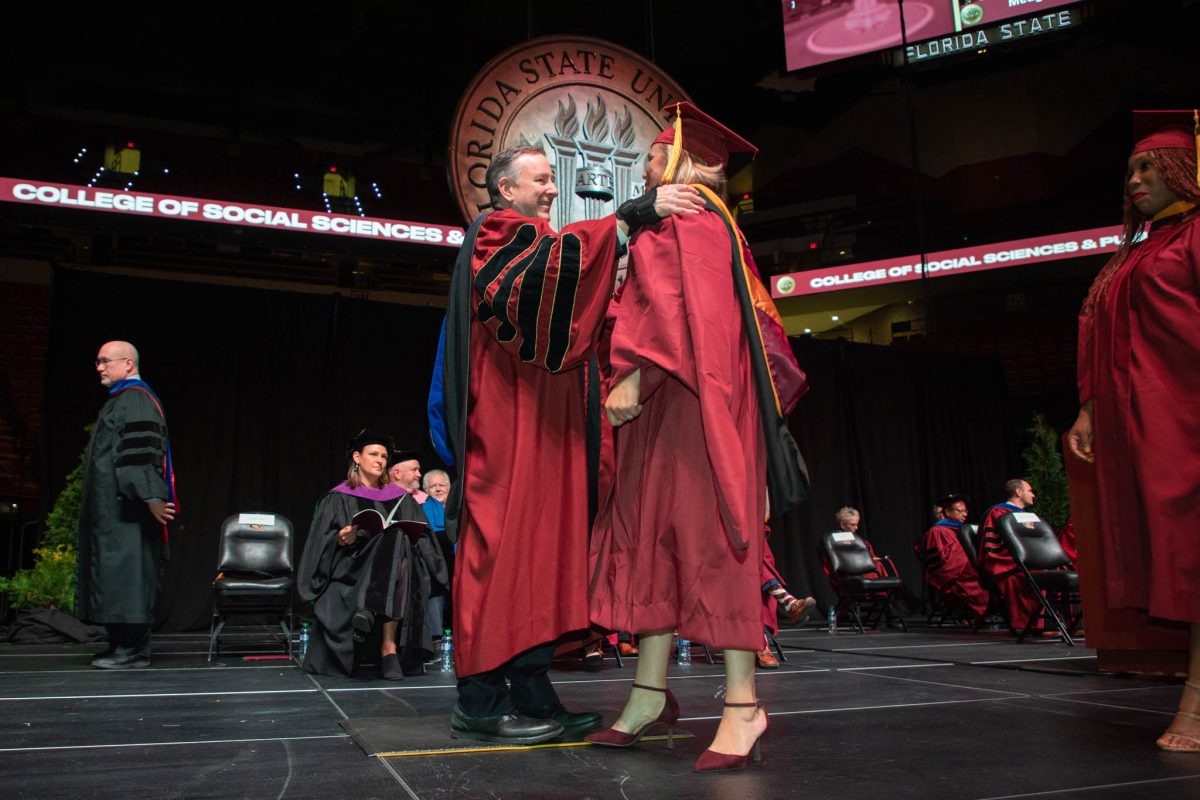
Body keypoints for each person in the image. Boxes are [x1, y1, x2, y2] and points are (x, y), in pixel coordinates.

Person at [438, 143, 707, 745]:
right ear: (505, 190)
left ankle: (533, 692)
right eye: (540, 180)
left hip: (550, 430)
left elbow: (575, 298)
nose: (552, 190)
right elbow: (544, 280)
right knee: (500, 557)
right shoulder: (493, 232)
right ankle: (478, 702)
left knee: (544, 561)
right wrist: (629, 216)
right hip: (507, 429)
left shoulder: (535, 239)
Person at [588, 102, 809, 772]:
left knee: (714, 544)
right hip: (673, 411)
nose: (646, 169)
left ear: (681, 162)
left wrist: (637, 375)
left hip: (690, 406)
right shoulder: (702, 225)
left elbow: (686, 315)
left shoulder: (693, 219)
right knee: (658, 544)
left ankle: (742, 702)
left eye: (654, 157)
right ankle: (648, 693)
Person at [1067, 110, 1200, 753]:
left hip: (1189, 422)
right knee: (1174, 554)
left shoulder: (1197, 237)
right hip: (1146, 430)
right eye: (1131, 171)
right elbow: (1097, 335)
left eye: (1149, 166)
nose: (1136, 179)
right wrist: (1090, 408)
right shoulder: (1136, 252)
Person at [297, 430, 446, 679]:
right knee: (395, 545)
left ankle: (383, 636)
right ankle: (384, 644)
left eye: (384, 456)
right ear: (357, 457)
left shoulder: (400, 498)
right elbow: (318, 544)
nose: (380, 460)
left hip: (396, 569)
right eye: (373, 454)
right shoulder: (338, 497)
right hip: (352, 566)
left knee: (397, 537)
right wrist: (341, 540)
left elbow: (424, 537)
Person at [76, 341, 177, 670]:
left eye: (106, 361)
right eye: (98, 361)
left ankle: (132, 649)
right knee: (118, 574)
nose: (99, 367)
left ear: (129, 365)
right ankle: (122, 645)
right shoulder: (122, 400)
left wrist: (151, 498)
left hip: (129, 510)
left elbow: (140, 453)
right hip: (117, 509)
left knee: (129, 575)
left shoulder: (136, 400)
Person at [977, 479, 1043, 635]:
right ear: (1019, 492)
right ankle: (1038, 624)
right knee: (1028, 576)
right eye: (1030, 490)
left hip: (1030, 562)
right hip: (1008, 564)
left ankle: (1065, 622)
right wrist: (1022, 560)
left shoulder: (1029, 516)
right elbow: (992, 548)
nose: (1033, 494)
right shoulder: (998, 513)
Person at [915, 495, 989, 622]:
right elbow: (948, 561)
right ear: (948, 512)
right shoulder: (938, 531)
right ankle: (984, 614)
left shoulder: (965, 529)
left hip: (969, 566)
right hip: (954, 573)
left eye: (966, 511)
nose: (965, 514)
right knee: (979, 577)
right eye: (960, 511)